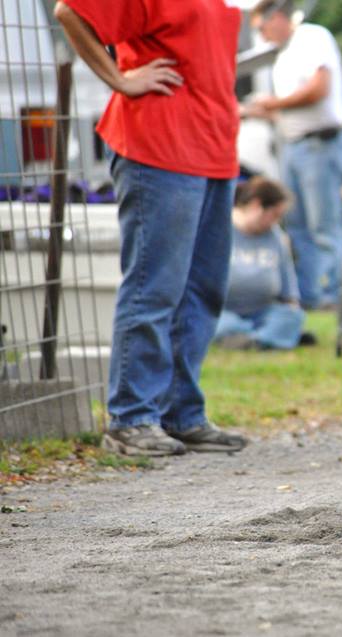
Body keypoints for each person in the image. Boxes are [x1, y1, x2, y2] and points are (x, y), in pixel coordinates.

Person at [54, 0, 248, 455]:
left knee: (203, 290)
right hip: (159, 148)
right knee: (153, 287)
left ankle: (180, 413)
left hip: (214, 149)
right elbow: (69, 12)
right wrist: (120, 79)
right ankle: (132, 417)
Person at [244, 0, 342, 310]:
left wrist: (273, 104)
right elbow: (289, 109)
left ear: (276, 16)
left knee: (323, 226)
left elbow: (319, 89)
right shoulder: (283, 55)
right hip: (292, 146)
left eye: (262, 28)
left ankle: (332, 297)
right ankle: (309, 298)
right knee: (297, 226)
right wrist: (254, 111)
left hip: (320, 145)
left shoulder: (312, 37)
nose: (263, 37)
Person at [214, 177, 305, 351]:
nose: (276, 222)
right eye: (275, 215)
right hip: (224, 311)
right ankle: (268, 338)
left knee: (291, 317)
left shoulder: (276, 236)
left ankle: (249, 339)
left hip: (263, 311)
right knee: (216, 323)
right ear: (256, 206)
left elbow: (288, 285)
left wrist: (292, 306)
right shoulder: (220, 229)